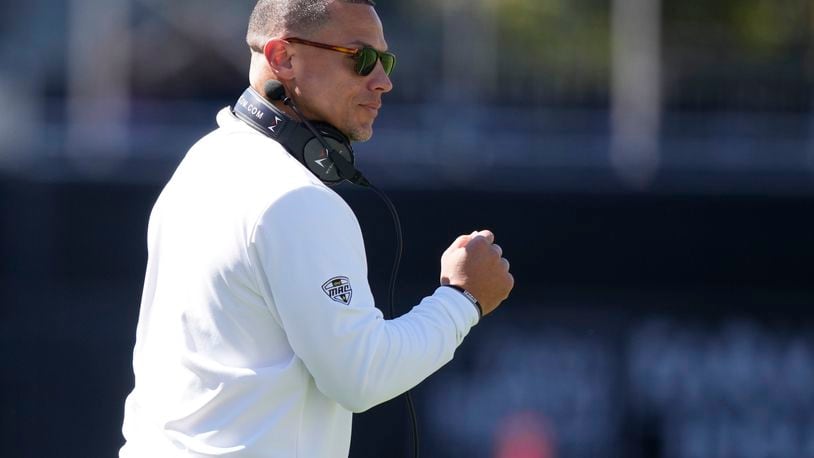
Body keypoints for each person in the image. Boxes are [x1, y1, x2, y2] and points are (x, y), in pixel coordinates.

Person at [119, 0, 514, 456]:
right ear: (282, 58)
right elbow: (361, 376)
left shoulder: (203, 160)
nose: (383, 81)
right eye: (361, 58)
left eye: (385, 61)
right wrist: (462, 299)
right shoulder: (296, 197)